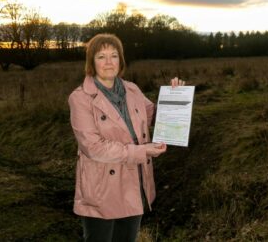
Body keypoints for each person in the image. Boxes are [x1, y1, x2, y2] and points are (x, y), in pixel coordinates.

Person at [68, 33, 185, 242]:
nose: (108, 62)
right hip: (102, 188)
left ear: (120, 60)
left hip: (134, 182)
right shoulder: (80, 98)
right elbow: (93, 147)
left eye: (114, 55)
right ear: (91, 62)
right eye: (101, 56)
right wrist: (142, 151)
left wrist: (174, 96)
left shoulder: (132, 90)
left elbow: (155, 118)